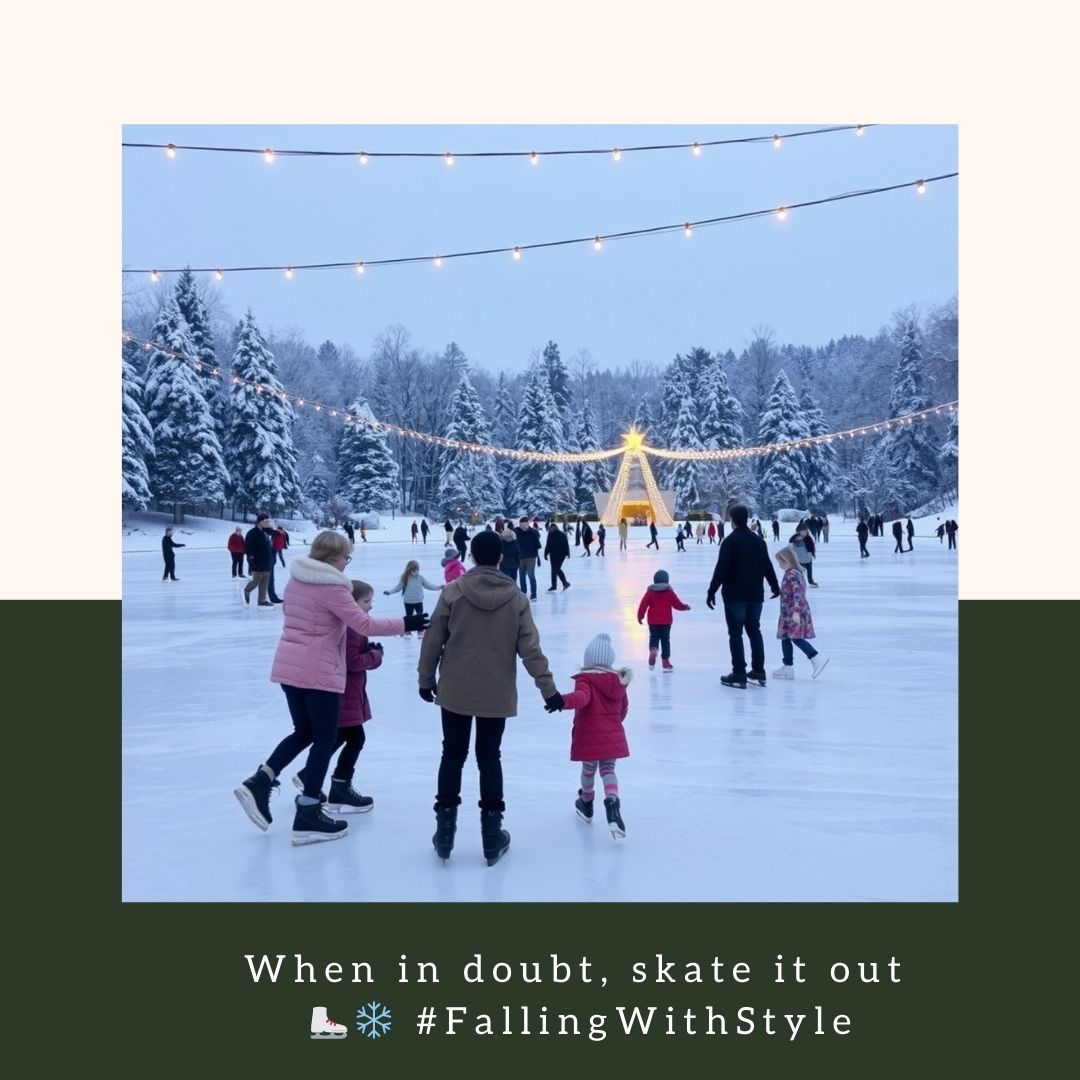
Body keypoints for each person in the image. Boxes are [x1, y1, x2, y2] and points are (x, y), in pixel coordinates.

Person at [234, 531, 428, 844]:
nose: (347, 563)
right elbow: (363, 625)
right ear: (331, 558)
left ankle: (262, 780)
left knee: (304, 732)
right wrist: (408, 623)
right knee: (324, 739)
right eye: (345, 558)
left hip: (289, 666)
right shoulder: (333, 586)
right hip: (319, 672)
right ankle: (308, 812)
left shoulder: (295, 580)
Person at [418, 530, 562, 865]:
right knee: (489, 757)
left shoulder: (453, 592)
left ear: (471, 558)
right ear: (500, 558)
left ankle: (445, 832)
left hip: (455, 688)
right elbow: (531, 650)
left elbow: (432, 640)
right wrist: (549, 690)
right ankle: (491, 835)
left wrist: (426, 680)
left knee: (452, 754)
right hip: (495, 692)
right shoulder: (516, 597)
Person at [293, 579, 383, 812]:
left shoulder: (351, 625)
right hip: (343, 694)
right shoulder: (352, 627)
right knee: (354, 738)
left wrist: (368, 649)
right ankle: (338, 786)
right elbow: (352, 662)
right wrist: (375, 655)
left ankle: (313, 777)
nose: (371, 606)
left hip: (345, 693)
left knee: (342, 737)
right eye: (367, 601)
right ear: (351, 604)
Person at [554, 632, 631, 838]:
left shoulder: (586, 680)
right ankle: (613, 802)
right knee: (608, 769)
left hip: (589, 736)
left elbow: (581, 698)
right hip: (612, 735)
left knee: (589, 771)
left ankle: (586, 803)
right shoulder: (618, 683)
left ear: (588, 660)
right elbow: (623, 709)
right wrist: (612, 724)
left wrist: (562, 701)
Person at [706, 504, 781, 689]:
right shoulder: (758, 541)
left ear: (732, 520)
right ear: (746, 518)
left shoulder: (730, 542)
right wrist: (774, 585)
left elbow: (721, 569)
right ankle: (758, 670)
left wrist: (712, 590)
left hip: (735, 596)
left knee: (736, 634)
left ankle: (739, 673)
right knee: (754, 631)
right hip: (755, 595)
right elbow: (767, 566)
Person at [772, 547, 829, 679]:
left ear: (787, 560)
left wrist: (796, 612)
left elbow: (798, 593)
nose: (779, 565)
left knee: (795, 637)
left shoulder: (792, 575)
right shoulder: (795, 572)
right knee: (785, 637)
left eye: (780, 562)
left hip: (793, 611)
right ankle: (788, 666)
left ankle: (816, 657)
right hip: (788, 612)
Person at [637, 568, 691, 671]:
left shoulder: (650, 592)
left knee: (654, 637)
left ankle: (653, 650)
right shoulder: (669, 592)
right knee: (665, 640)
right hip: (666, 621)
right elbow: (677, 604)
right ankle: (665, 662)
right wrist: (685, 607)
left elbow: (643, 605)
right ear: (667, 580)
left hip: (653, 621)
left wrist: (640, 616)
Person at [384, 559, 443, 638]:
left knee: (420, 616)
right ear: (409, 569)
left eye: (416, 569)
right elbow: (398, 588)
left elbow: (428, 585)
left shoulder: (420, 578)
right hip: (408, 601)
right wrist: (389, 592)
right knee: (409, 617)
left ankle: (420, 631)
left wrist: (439, 587)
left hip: (418, 601)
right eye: (413, 569)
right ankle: (407, 631)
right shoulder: (405, 578)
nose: (415, 571)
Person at [243, 514, 276, 607]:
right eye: (266, 522)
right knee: (256, 581)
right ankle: (246, 590)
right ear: (260, 522)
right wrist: (251, 559)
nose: (268, 523)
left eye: (268, 522)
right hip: (257, 561)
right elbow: (248, 547)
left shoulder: (266, 532)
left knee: (265, 582)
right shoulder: (252, 533)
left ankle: (262, 600)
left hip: (266, 561)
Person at [544, 521, 571, 591]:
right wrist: (545, 553)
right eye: (550, 528)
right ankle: (554, 586)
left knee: (556, 568)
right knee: (553, 569)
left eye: (552, 528)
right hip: (552, 554)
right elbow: (548, 544)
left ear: (555, 528)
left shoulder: (561, 534)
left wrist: (568, 553)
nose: (551, 529)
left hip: (561, 554)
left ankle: (565, 583)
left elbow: (566, 544)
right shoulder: (550, 534)